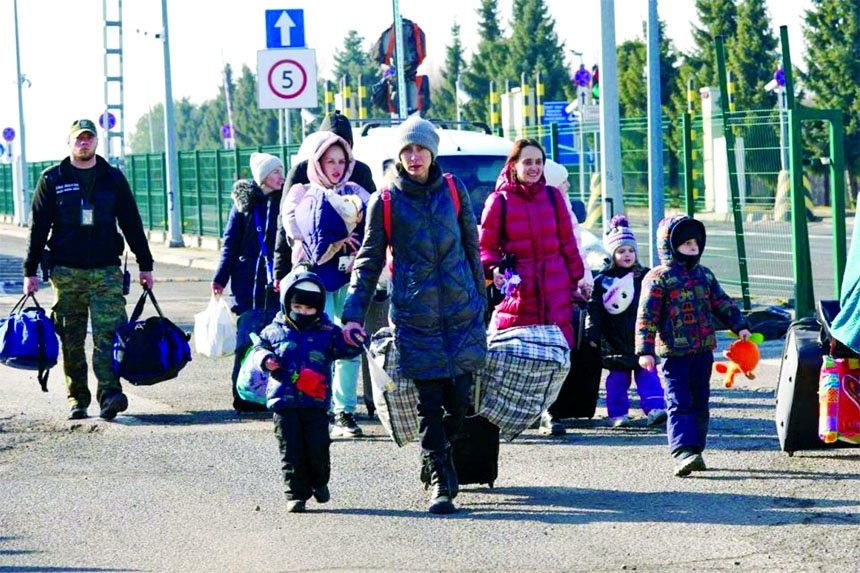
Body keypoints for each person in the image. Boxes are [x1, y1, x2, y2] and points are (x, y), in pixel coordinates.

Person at [341, 116, 487, 515]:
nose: (414, 156)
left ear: (432, 152)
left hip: (460, 314)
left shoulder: (455, 191)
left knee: (459, 404)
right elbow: (368, 261)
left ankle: (439, 457)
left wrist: (479, 300)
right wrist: (353, 311)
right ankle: (440, 478)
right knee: (429, 403)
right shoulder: (384, 201)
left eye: (420, 148)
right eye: (407, 149)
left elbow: (472, 248)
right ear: (399, 155)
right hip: (414, 318)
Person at [23, 119, 154, 421]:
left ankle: (109, 394)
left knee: (108, 334)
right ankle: (77, 399)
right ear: (69, 143)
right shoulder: (52, 179)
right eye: (79, 139)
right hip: (67, 272)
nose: (84, 144)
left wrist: (145, 265)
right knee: (71, 338)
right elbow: (39, 228)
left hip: (107, 270)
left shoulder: (112, 179)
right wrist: (30, 271)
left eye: (89, 139)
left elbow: (132, 224)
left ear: (96, 142)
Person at [273, 111, 377, 437]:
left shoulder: (358, 189)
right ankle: (319, 406)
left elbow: (377, 217)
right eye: (328, 159)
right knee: (316, 345)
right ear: (316, 158)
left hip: (349, 276)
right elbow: (291, 228)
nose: (335, 166)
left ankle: (344, 413)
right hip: (313, 279)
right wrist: (332, 235)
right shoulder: (301, 191)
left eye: (341, 159)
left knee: (346, 342)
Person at [479, 138, 584, 437]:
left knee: (556, 352)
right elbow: (486, 248)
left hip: (554, 285)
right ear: (513, 165)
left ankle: (551, 412)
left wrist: (576, 279)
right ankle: (512, 414)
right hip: (520, 289)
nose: (534, 167)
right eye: (528, 162)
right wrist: (495, 268)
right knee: (518, 355)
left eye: (538, 162)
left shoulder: (552, 198)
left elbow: (568, 243)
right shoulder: (498, 201)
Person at [636, 215, 751, 477]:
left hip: (702, 352)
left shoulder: (704, 275)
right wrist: (645, 350)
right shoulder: (658, 278)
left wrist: (740, 325)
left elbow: (721, 302)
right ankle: (683, 450)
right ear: (670, 245)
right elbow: (647, 315)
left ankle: (695, 448)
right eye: (686, 242)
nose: (692, 247)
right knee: (678, 401)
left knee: (700, 401)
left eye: (695, 242)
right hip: (674, 354)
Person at [250, 268, 362, 513]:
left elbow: (347, 350)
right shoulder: (273, 330)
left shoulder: (328, 331)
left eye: (309, 309)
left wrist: (354, 340)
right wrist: (265, 359)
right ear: (287, 303)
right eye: (298, 308)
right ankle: (296, 494)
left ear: (319, 307)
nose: (303, 313)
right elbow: (258, 348)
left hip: (316, 403)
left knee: (318, 448)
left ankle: (319, 482)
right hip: (283, 403)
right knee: (290, 451)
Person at [211, 152, 284, 413]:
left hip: (276, 289)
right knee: (247, 344)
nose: (281, 176)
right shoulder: (243, 207)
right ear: (263, 176)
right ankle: (243, 397)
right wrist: (220, 278)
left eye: (281, 171)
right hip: (248, 290)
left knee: (276, 346)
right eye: (275, 172)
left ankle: (274, 396)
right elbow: (229, 245)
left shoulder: (284, 203)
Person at [585, 215, 666, 428]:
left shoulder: (645, 277)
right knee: (618, 380)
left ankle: (656, 409)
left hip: (641, 337)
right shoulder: (603, 280)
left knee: (649, 375)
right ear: (612, 254)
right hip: (614, 339)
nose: (627, 254)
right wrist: (592, 333)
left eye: (630, 250)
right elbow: (594, 309)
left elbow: (656, 303)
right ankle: (618, 414)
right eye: (621, 251)